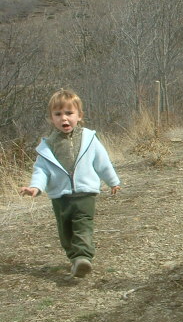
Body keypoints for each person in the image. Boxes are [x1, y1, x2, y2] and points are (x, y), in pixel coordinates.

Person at [19, 89, 121, 278]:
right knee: (65, 230)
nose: (64, 118)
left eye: (69, 113)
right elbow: (41, 170)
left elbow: (102, 162)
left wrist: (113, 181)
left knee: (83, 225)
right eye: (58, 114)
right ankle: (75, 259)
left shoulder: (89, 139)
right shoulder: (48, 145)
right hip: (60, 196)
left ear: (79, 116)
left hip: (85, 193)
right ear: (51, 118)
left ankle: (83, 257)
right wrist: (35, 187)